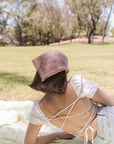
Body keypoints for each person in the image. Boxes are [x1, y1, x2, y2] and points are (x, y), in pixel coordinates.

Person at [24, 49, 114, 144]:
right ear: (65, 71)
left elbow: (29, 142)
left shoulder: (39, 109)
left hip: (100, 140)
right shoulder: (78, 85)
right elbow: (110, 103)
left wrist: (56, 135)